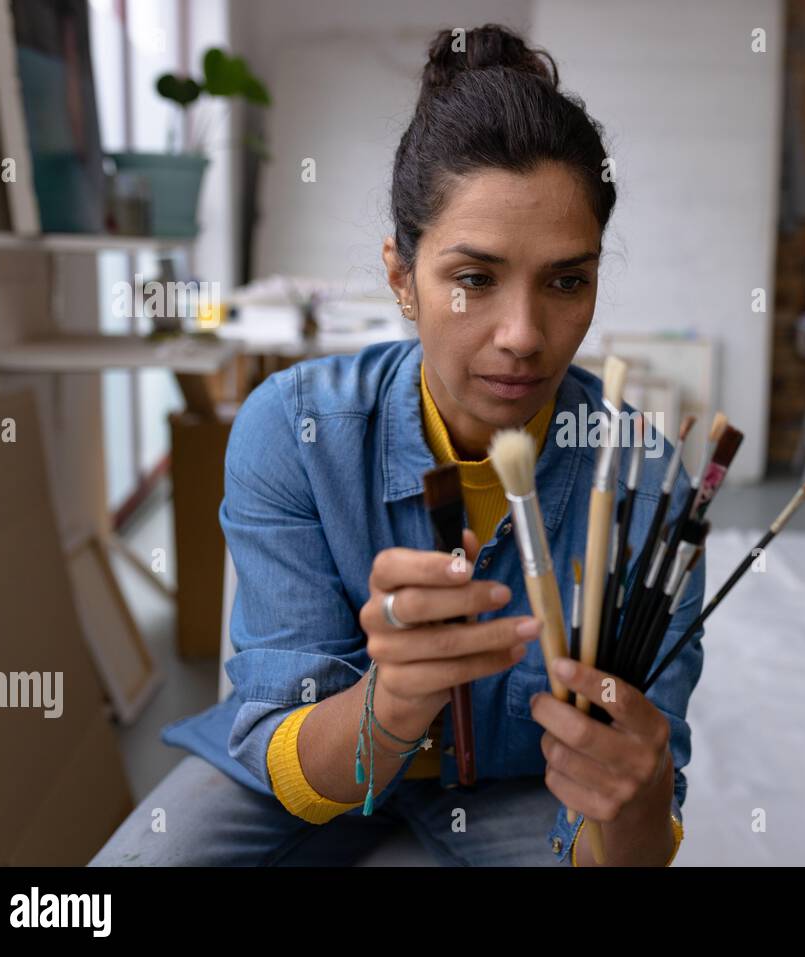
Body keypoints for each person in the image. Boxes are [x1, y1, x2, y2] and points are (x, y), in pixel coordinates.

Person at [90, 23, 704, 868]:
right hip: (317, 760)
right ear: (400, 277)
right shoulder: (295, 433)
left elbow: (631, 843)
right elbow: (282, 729)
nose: (523, 335)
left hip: (527, 795)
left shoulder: (649, 488)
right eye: (474, 279)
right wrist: (394, 698)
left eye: (567, 281)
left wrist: (634, 805)